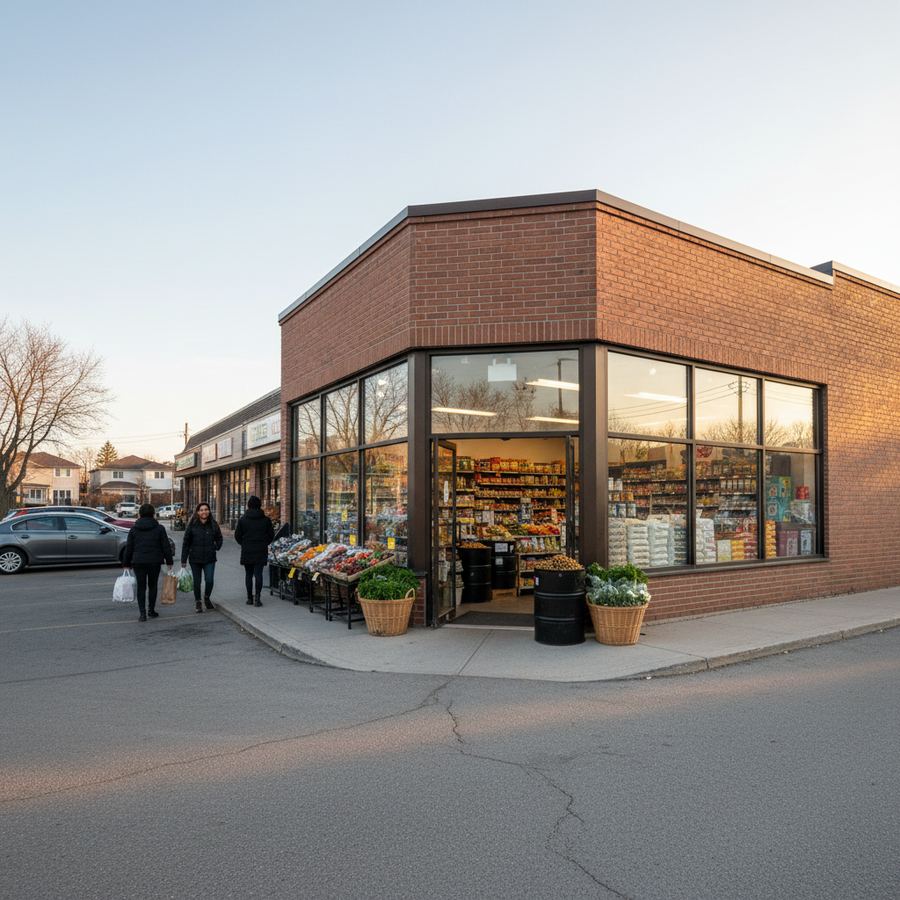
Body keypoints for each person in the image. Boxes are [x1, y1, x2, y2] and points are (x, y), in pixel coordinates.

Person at [124, 503, 174, 622]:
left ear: (140, 514)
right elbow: (165, 546)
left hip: (138, 562)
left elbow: (129, 547)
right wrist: (169, 561)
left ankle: (142, 614)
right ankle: (151, 610)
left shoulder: (134, 529)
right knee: (153, 586)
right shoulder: (159, 528)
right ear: (153, 514)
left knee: (141, 587)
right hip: (154, 561)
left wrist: (126, 563)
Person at [180, 502, 223, 613]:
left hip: (210, 558)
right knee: (197, 582)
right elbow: (186, 542)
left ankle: (207, 597)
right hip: (195, 559)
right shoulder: (192, 524)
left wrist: (216, 546)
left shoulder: (213, 524)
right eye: (202, 510)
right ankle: (198, 601)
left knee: (209, 580)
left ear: (209, 511)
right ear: (198, 512)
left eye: (206, 509)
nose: (204, 512)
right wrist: (183, 560)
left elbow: (219, 538)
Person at [234, 495, 275, 606]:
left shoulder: (243, 520)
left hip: (247, 549)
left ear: (248, 505)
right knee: (258, 574)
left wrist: (243, 543)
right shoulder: (266, 520)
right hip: (261, 549)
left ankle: (249, 598)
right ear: (259, 505)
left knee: (248, 574)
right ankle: (257, 598)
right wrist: (264, 543)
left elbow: (237, 535)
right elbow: (271, 535)